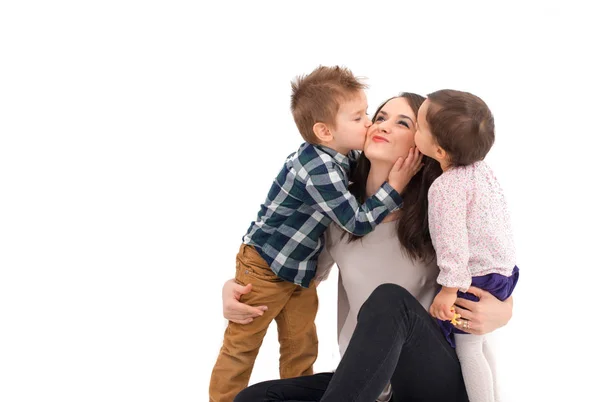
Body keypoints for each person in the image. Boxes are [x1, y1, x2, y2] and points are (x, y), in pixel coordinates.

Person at [222, 93, 514, 401]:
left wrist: (505, 310)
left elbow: (492, 263)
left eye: (403, 122)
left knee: (389, 300)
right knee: (254, 398)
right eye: (380, 117)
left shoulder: (438, 209)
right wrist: (239, 287)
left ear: (425, 144)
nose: (384, 126)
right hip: (368, 386)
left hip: (432, 380)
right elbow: (289, 276)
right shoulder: (340, 217)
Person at [209, 67, 422, 402]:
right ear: (324, 131)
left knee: (301, 344)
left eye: (369, 114)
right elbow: (356, 221)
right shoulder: (318, 167)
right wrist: (232, 285)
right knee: (242, 347)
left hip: (299, 271)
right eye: (362, 117)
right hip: (265, 267)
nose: (371, 124)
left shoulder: (347, 160)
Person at [414, 89, 520, 402]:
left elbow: (452, 243)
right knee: (481, 343)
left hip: (473, 280)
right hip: (503, 273)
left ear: (439, 151)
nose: (415, 132)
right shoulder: (482, 172)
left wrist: (449, 289)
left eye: (419, 128)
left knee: (468, 351)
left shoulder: (446, 188)